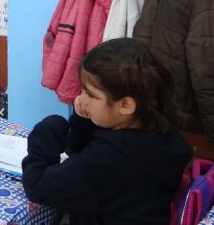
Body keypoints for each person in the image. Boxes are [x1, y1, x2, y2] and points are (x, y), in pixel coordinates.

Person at [22, 38, 192, 225]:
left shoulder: (108, 160)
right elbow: (79, 153)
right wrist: (84, 120)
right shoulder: (160, 133)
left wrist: (47, 132)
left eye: (91, 94)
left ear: (125, 105)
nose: (81, 99)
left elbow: (38, 188)